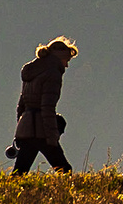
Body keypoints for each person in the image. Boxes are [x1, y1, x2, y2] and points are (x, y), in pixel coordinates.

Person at [11, 36, 78, 175]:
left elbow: (21, 104)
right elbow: (47, 107)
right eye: (67, 60)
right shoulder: (52, 73)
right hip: (42, 130)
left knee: (19, 173)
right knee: (65, 170)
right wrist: (52, 136)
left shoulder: (31, 71)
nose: (66, 65)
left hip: (27, 129)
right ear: (61, 58)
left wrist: (20, 130)